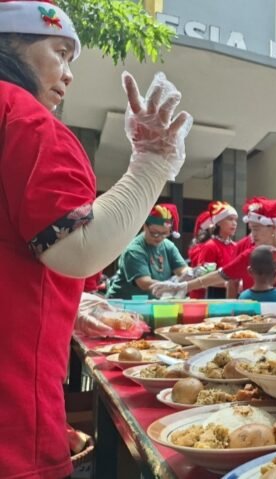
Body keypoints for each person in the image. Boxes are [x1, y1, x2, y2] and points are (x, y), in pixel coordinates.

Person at [0, 1, 192, 475]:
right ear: (9, 45)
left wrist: (73, 306)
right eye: (60, 52)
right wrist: (152, 163)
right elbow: (79, 250)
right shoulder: (26, 119)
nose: (67, 75)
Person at [152, 197, 276, 298]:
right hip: (255, 318)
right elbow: (223, 275)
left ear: (273, 228)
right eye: (251, 229)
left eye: (257, 229)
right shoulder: (251, 254)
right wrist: (183, 286)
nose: (252, 235)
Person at [107, 204, 191, 299]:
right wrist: (173, 286)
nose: (159, 237)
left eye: (164, 234)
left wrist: (190, 273)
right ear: (145, 226)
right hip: (124, 302)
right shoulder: (134, 250)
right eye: (154, 233)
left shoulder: (168, 246)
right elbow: (144, 283)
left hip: (151, 302)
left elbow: (182, 270)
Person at [196, 200, 238, 298]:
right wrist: (227, 284)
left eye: (235, 220)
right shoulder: (210, 246)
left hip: (235, 294)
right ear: (218, 222)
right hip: (216, 295)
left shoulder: (236, 246)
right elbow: (202, 276)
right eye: (230, 219)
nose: (234, 223)